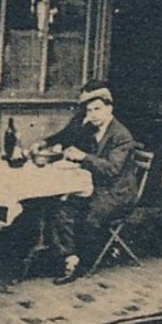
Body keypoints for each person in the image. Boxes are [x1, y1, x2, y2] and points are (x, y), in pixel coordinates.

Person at [43, 82, 142, 284]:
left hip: (117, 193)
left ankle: (82, 263)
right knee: (62, 208)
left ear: (109, 109)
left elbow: (112, 169)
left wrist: (83, 157)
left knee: (86, 215)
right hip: (96, 187)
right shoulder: (92, 129)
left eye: (98, 109)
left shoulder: (121, 135)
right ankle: (69, 258)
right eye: (90, 110)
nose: (93, 114)